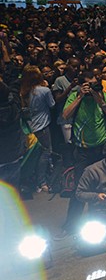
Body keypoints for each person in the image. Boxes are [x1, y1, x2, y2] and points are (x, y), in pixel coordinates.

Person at [60, 69, 106, 235]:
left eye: (94, 84)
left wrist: (100, 100)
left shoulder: (103, 96)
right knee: (80, 188)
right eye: (88, 85)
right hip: (83, 150)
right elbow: (65, 115)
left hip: (102, 148)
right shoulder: (75, 96)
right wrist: (80, 96)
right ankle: (71, 224)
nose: (92, 87)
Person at [19, 65, 55, 193]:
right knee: (45, 153)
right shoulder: (44, 90)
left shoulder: (22, 91)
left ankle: (28, 180)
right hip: (42, 127)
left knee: (31, 155)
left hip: (28, 129)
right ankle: (42, 181)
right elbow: (52, 104)